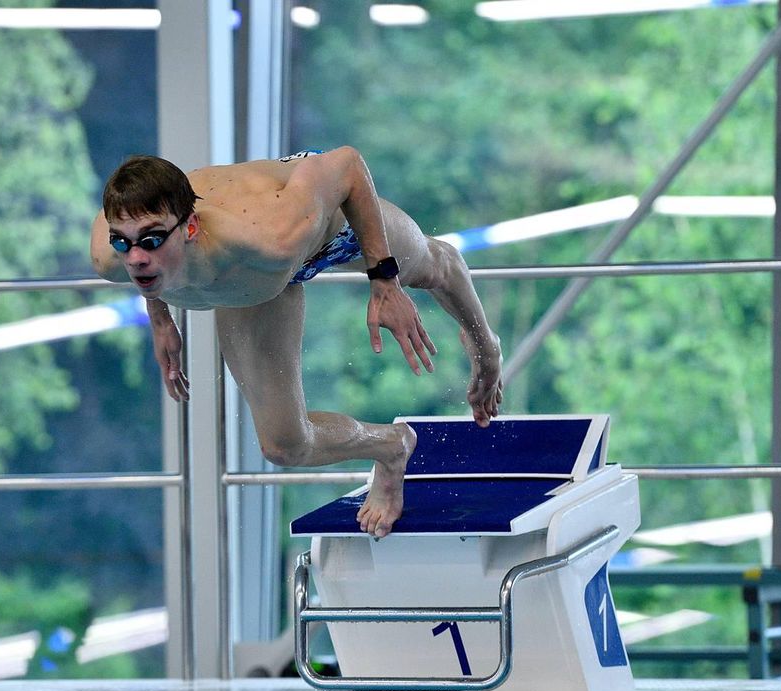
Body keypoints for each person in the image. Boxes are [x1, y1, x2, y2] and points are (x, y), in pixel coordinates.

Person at [90, 147, 503, 537]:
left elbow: (346, 164)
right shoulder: (111, 255)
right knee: (285, 446)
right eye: (123, 242)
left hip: (327, 226)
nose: (135, 258)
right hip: (252, 285)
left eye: (151, 240)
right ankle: (393, 448)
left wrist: (385, 281)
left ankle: (486, 344)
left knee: (430, 266)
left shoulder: (269, 235)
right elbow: (140, 258)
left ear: (191, 228)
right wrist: (160, 318)